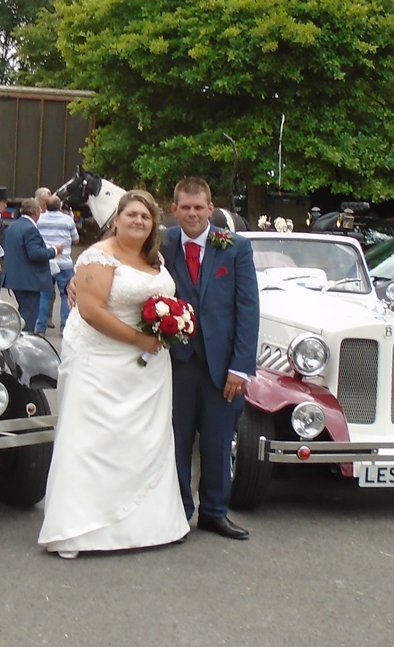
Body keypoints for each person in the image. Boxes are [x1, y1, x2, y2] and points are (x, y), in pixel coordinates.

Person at [38, 190, 189, 559]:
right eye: (132, 214)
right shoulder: (97, 256)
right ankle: (78, 530)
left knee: (144, 443)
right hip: (100, 361)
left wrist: (165, 331)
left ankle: (148, 525)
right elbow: (91, 311)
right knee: (91, 442)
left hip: (148, 368)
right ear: (117, 218)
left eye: (146, 217)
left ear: (154, 224)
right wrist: (140, 338)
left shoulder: (155, 258)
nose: (138, 221)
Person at [163, 177, 259, 540]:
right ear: (174, 209)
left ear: (210, 208)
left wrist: (240, 367)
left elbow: (248, 309)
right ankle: (178, 511)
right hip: (176, 363)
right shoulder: (162, 243)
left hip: (223, 367)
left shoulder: (235, 247)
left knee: (219, 441)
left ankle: (215, 512)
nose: (191, 214)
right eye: (184, 208)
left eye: (198, 207)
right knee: (176, 439)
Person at [1, 198, 61, 332]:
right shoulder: (30, 229)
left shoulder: (12, 227)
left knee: (22, 314)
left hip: (15, 278)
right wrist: (54, 250)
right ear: (35, 212)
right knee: (29, 317)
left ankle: (16, 338)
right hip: (28, 281)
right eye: (39, 210)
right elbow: (35, 254)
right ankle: (24, 343)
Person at [35, 194, 80, 333]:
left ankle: (41, 327)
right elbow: (76, 239)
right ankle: (64, 327)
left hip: (45, 262)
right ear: (60, 206)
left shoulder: (39, 219)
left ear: (45, 206)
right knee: (67, 294)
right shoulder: (68, 220)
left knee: (44, 294)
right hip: (64, 263)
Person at [34, 187, 58, 329]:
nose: (46, 203)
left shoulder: (49, 213)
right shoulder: (36, 213)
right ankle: (38, 318)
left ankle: (47, 317)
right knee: (39, 291)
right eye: (45, 200)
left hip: (51, 257)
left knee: (50, 292)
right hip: (40, 255)